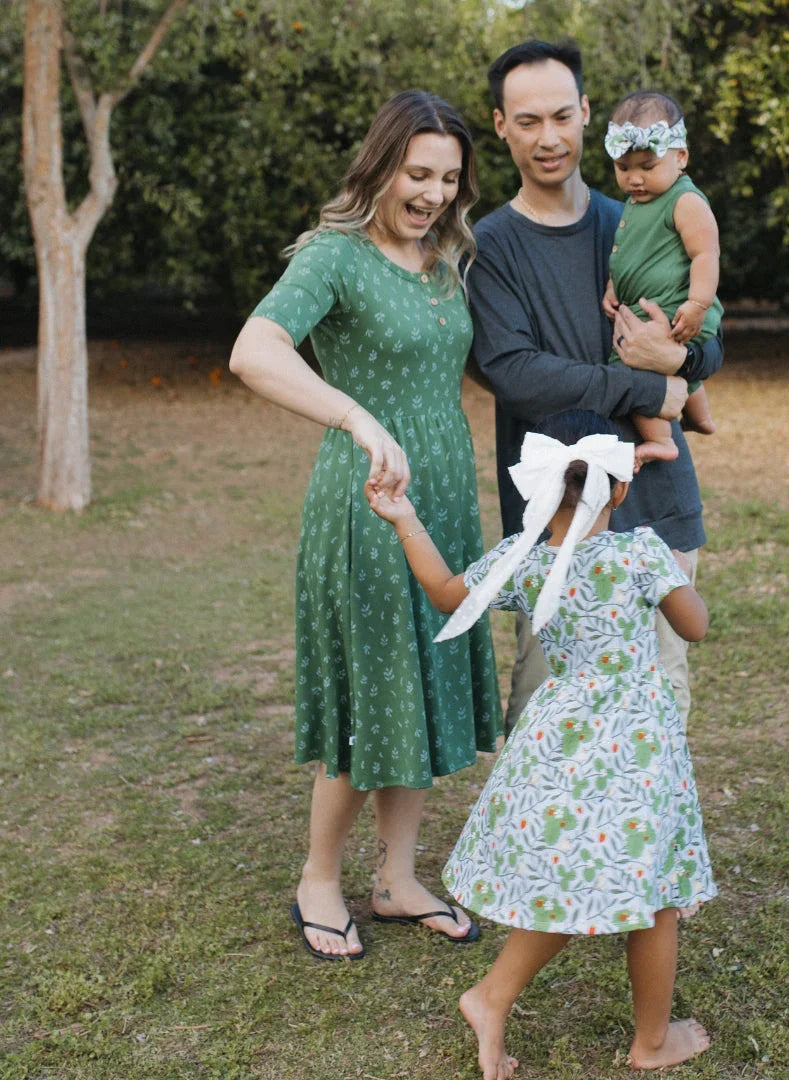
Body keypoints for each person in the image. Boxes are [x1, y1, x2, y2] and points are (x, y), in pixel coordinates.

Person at [229, 90, 501, 961]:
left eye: (449, 178)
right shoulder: (334, 257)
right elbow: (254, 351)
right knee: (370, 682)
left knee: (420, 679)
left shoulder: (449, 258)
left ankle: (397, 877)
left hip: (446, 502)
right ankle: (318, 876)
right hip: (370, 507)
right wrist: (352, 415)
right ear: (381, 165)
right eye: (418, 173)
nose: (432, 193)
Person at [367, 410, 716, 1078]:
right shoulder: (640, 552)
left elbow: (445, 594)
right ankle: (649, 1042)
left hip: (562, 740)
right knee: (657, 893)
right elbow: (693, 627)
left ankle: (491, 999)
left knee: (573, 879)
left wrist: (404, 517)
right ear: (618, 490)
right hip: (636, 746)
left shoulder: (523, 559)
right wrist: (668, 561)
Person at [468, 39, 723, 732]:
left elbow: (709, 344)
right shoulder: (488, 249)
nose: (548, 138)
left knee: (657, 716)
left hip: (659, 510)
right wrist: (644, 389)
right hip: (559, 519)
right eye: (527, 122)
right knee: (546, 720)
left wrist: (679, 365)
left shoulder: (644, 216)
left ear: (586, 113)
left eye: (560, 116)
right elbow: (515, 373)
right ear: (500, 125)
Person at [602, 90, 722, 469]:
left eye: (647, 167)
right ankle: (701, 419)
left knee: (628, 366)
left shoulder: (684, 201)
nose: (635, 178)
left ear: (680, 157)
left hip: (678, 308)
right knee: (663, 362)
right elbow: (629, 252)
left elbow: (706, 253)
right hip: (654, 307)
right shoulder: (638, 204)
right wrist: (613, 286)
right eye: (624, 168)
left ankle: (660, 440)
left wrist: (698, 304)